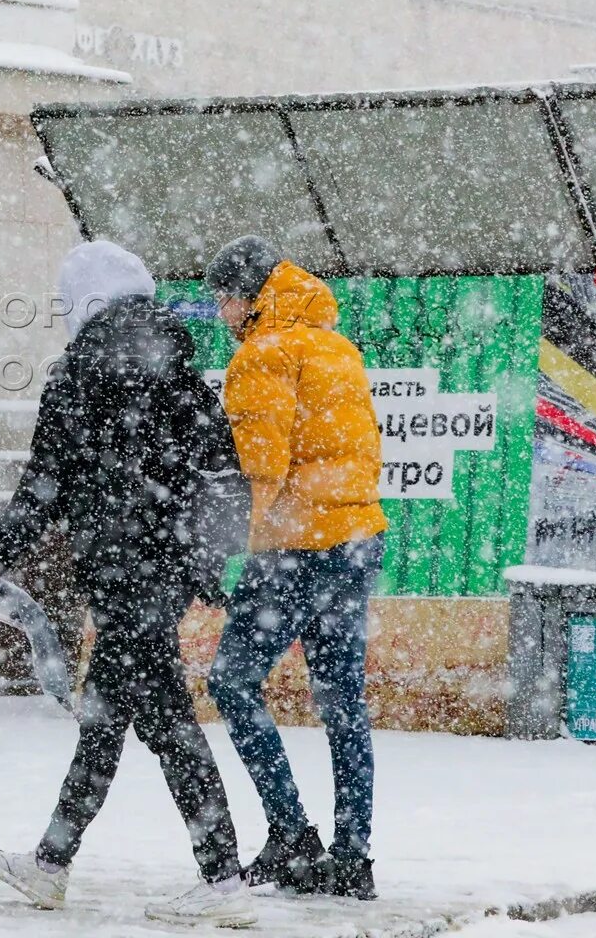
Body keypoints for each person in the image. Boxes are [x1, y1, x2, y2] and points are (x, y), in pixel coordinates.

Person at [0, 240, 257, 930]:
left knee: (168, 726)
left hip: (123, 577)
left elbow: (45, 485)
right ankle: (52, 864)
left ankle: (220, 877)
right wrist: (202, 565)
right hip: (163, 574)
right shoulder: (182, 367)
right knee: (108, 721)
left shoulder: (78, 374)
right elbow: (221, 475)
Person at [202, 236, 387, 901]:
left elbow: (261, 472)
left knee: (231, 682)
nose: (220, 311)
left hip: (296, 548)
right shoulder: (336, 347)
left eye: (224, 297)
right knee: (343, 704)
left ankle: (291, 835)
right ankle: (354, 858)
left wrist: (224, 556)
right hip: (358, 539)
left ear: (249, 299)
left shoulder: (260, 356)